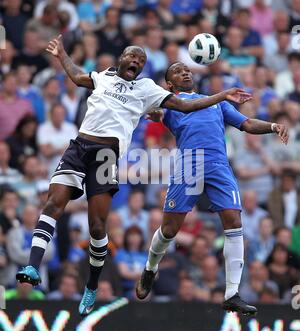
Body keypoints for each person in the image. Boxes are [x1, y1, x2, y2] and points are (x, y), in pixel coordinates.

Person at [16, 34, 250, 316]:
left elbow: (185, 106)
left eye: (141, 60)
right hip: (79, 146)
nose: (137, 62)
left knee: (98, 227)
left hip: (107, 155)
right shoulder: (104, 77)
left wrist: (222, 95)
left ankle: (91, 285)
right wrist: (62, 54)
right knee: (53, 203)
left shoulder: (147, 88)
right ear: (121, 58)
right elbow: (78, 77)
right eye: (133, 57)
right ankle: (32, 265)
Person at [136, 62, 289, 316]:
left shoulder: (216, 102)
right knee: (170, 229)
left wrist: (273, 126)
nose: (185, 72)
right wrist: (154, 113)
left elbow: (247, 123)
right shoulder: (171, 101)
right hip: (189, 164)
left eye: (187, 69)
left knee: (233, 220)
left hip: (219, 163)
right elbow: (156, 113)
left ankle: (231, 294)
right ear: (169, 84)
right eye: (177, 71)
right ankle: (151, 267)